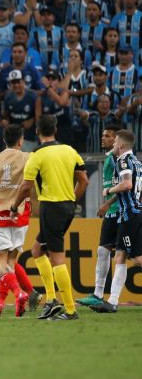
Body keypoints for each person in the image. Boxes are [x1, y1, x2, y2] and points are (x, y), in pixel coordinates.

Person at [10, 114, 89, 321]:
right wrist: (72, 201)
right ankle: (52, 300)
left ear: (36, 132)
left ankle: (70, 310)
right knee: (37, 250)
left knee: (57, 259)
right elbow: (84, 181)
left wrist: (13, 206)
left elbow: (26, 186)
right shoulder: (70, 151)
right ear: (55, 130)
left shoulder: (36, 155)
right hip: (67, 207)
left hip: (51, 208)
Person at [0, 126, 39, 317]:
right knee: (11, 263)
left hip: (0, 215)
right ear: (21, 140)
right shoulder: (29, 158)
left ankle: (19, 293)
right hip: (21, 215)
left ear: (4, 140)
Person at [91, 130, 142, 313]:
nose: (112, 146)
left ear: (120, 145)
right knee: (133, 257)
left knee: (125, 257)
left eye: (114, 143)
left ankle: (112, 302)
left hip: (129, 214)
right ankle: (112, 301)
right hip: (133, 213)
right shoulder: (137, 162)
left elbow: (127, 184)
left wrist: (109, 191)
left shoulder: (123, 160)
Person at [77, 125, 121, 308]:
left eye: (108, 136)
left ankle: (104, 295)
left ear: (117, 140)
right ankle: (97, 293)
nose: (103, 138)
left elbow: (126, 185)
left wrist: (107, 203)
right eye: (102, 135)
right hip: (113, 212)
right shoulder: (110, 157)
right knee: (103, 250)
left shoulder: (118, 158)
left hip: (121, 211)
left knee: (132, 257)